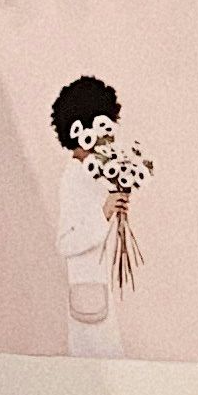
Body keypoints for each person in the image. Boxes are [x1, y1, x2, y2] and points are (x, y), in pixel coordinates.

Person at [52, 75, 125, 359]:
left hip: (98, 290)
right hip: (88, 294)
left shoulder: (90, 175)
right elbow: (65, 242)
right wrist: (104, 213)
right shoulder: (73, 177)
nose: (108, 137)